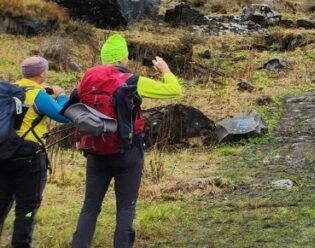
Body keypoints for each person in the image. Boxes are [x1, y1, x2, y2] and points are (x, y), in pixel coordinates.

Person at [68, 34, 182, 248]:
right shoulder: (131, 81)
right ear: (122, 59)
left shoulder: (87, 78)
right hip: (127, 151)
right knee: (126, 207)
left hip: (95, 150)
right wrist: (165, 70)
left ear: (103, 58)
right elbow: (174, 90)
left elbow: (69, 107)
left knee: (90, 206)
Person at [0, 56, 69, 248]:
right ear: (42, 73)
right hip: (29, 157)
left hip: (4, 152)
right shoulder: (38, 95)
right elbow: (63, 117)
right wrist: (62, 94)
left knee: (2, 202)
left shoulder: (9, 90)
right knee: (26, 208)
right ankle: (21, 244)